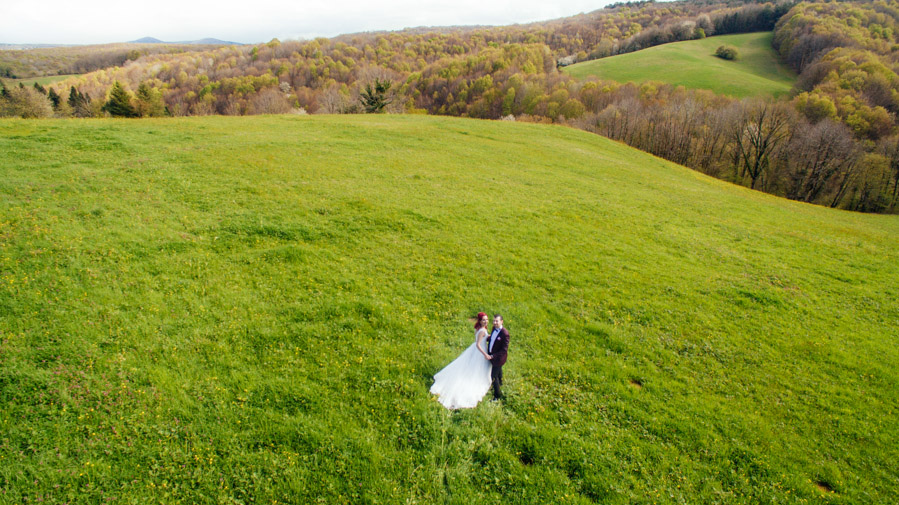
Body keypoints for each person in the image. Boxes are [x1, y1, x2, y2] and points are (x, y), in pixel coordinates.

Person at [430, 313, 493, 409]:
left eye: (487, 319)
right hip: (480, 351)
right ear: (480, 321)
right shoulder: (482, 331)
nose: (486, 321)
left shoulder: (479, 329)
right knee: (477, 370)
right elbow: (478, 344)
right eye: (484, 320)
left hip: (476, 351)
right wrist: (485, 354)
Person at [486, 314, 510, 401]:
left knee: (493, 376)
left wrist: (493, 356)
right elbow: (493, 339)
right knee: (499, 371)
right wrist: (485, 338)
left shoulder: (505, 334)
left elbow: (504, 350)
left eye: (497, 321)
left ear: (501, 321)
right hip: (492, 355)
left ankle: (497, 396)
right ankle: (500, 383)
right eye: (494, 321)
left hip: (498, 359)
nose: (495, 323)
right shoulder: (493, 329)